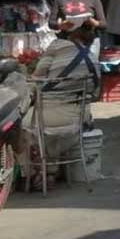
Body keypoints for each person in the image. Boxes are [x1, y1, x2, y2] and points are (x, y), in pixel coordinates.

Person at [25, 25, 101, 190]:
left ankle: (35, 174)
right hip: (80, 119)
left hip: (48, 117)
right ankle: (51, 171)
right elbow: (95, 93)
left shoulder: (56, 47)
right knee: (49, 128)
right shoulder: (93, 58)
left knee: (18, 124)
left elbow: (36, 81)